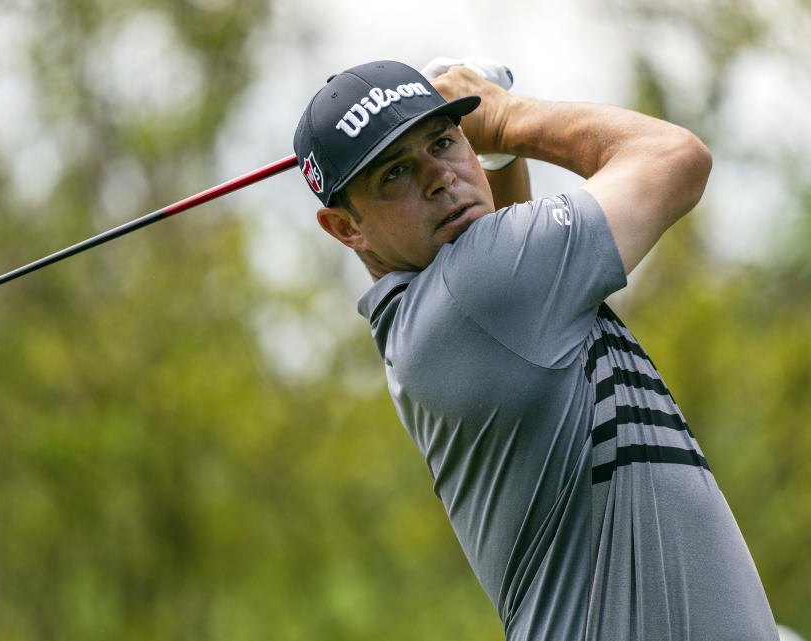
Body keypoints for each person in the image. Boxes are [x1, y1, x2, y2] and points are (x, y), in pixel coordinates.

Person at [293, 59, 779, 640]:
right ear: (346, 228)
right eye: (395, 172)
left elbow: (504, 231)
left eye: (445, 142)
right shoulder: (478, 288)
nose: (439, 177)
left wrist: (497, 156)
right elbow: (676, 158)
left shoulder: (450, 309)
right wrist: (505, 118)